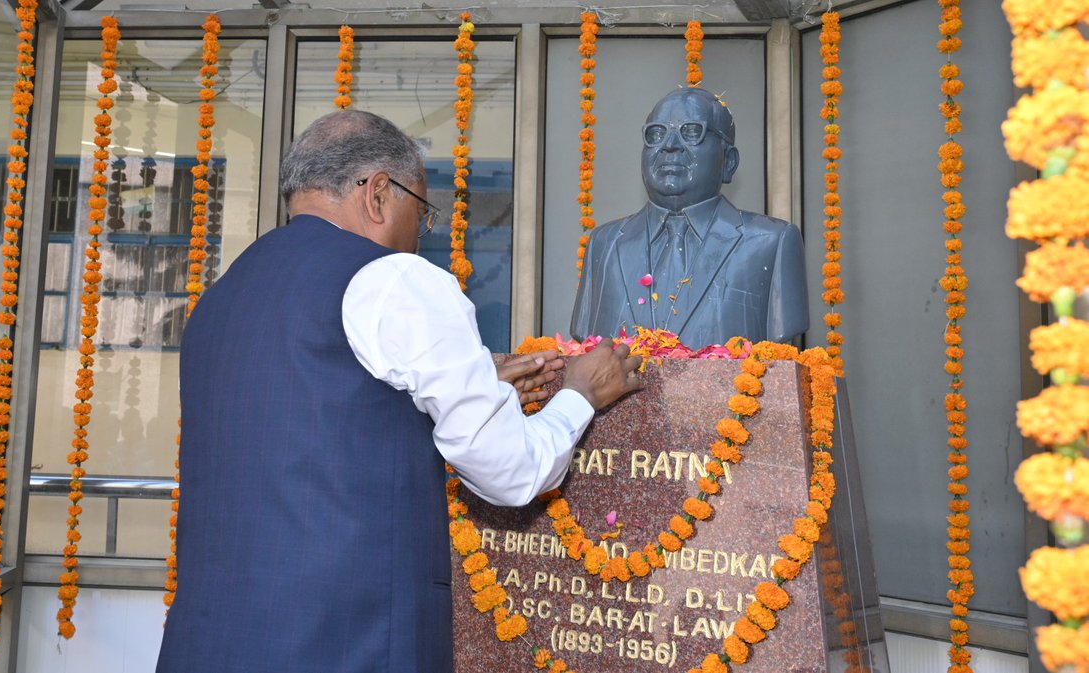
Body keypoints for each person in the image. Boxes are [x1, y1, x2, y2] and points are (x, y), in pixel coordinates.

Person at [155, 109, 642, 673]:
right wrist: (580, 393)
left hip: (211, 642)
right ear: (380, 193)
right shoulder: (395, 279)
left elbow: (310, 412)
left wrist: (472, 380)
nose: (419, 232)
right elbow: (511, 473)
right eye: (423, 210)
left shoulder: (222, 296)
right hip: (346, 642)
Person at [570, 87, 809, 346]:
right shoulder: (605, 244)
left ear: (728, 162)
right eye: (656, 134)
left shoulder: (772, 242)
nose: (670, 146)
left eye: (692, 132)